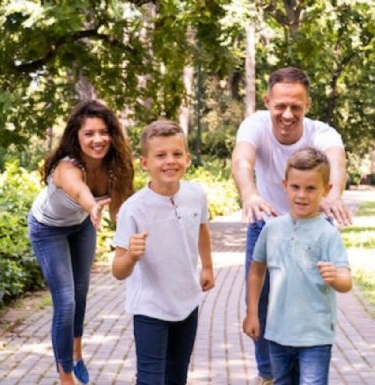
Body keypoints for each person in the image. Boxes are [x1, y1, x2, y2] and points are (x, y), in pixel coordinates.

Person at [231, 66, 351, 384]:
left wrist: (334, 195)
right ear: (268, 101)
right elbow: (242, 160)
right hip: (268, 221)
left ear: (306, 106)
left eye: (295, 106)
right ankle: (267, 374)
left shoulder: (323, 132)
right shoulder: (254, 125)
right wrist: (250, 194)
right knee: (261, 300)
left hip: (312, 222)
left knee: (307, 296)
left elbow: (336, 163)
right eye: (280, 105)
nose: (287, 114)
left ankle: (309, 356)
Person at [27, 100, 135, 385]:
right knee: (66, 300)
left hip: (81, 225)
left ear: (112, 134)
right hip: (47, 229)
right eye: (89, 133)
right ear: (76, 136)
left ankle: (77, 354)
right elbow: (78, 189)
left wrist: (127, 231)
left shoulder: (116, 167)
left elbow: (119, 210)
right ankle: (65, 377)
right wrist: (92, 207)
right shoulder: (66, 166)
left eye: (103, 132)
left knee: (82, 291)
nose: (97, 139)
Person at [112, 120, 215, 385]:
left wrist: (207, 267)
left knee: (177, 376)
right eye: (160, 155)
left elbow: (202, 228)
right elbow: (118, 271)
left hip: (187, 303)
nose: (170, 161)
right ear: (145, 163)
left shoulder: (196, 195)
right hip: (150, 308)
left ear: (188, 159)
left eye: (177, 154)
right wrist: (132, 256)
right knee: (150, 379)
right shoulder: (133, 209)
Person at [243, 147, 352, 385]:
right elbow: (256, 270)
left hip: (315, 336)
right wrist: (252, 312)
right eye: (295, 187)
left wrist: (335, 277)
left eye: (311, 188)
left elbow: (346, 280)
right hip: (277, 334)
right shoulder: (271, 228)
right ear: (285, 185)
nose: (301, 195)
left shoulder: (327, 233)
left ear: (327, 189)